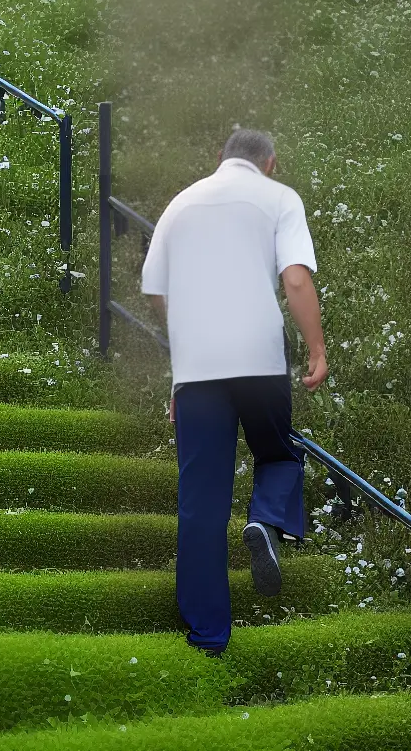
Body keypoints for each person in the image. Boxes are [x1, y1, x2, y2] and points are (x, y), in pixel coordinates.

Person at [140, 128, 328, 656]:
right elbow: (294, 279)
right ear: (271, 162)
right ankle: (266, 521)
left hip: (197, 367)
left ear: (218, 157)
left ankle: (207, 637)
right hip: (259, 358)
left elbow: (156, 291)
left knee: (200, 502)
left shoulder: (181, 203)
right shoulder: (279, 198)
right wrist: (317, 350)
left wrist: (186, 356)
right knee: (278, 455)